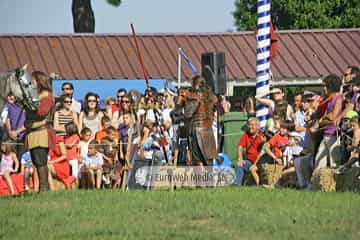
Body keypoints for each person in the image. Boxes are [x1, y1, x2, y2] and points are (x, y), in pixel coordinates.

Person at [25, 71, 56, 192]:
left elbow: (41, 112)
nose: (30, 83)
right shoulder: (37, 95)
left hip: (41, 132)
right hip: (34, 132)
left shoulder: (46, 95)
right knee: (36, 161)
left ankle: (43, 188)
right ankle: (43, 189)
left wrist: (28, 107)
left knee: (41, 161)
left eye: (32, 80)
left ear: (39, 81)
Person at [184, 75, 218, 166]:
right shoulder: (211, 97)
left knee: (197, 161)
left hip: (198, 128)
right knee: (209, 161)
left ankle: (201, 180)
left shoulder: (195, 97)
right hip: (208, 129)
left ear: (196, 85)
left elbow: (188, 114)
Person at [313, 74, 343, 170]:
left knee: (334, 163)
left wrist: (324, 118)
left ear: (331, 86)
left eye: (325, 86)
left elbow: (333, 117)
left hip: (334, 135)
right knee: (318, 162)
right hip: (326, 134)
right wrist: (325, 119)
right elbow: (322, 121)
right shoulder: (329, 100)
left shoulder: (339, 98)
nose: (324, 88)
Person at [234, 118, 264, 186]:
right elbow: (240, 146)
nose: (250, 127)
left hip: (260, 162)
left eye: (252, 125)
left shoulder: (262, 135)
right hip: (249, 161)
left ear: (257, 126)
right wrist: (240, 159)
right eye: (249, 125)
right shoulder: (245, 134)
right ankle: (236, 184)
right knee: (240, 164)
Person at [5, 92, 27, 161]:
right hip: (12, 137)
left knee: (21, 158)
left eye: (12, 95)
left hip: (23, 136)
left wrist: (17, 132)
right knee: (10, 159)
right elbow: (7, 119)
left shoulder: (27, 107)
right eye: (9, 95)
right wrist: (9, 132)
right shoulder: (9, 106)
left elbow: (29, 122)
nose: (11, 97)